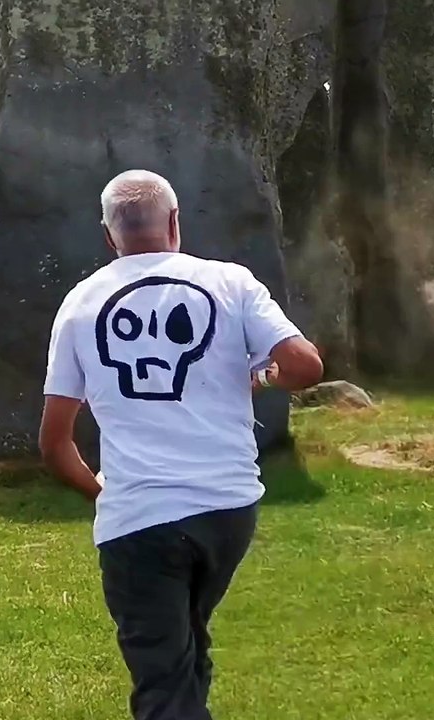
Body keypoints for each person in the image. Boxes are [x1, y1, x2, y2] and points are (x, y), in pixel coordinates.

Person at [38, 170, 324, 720]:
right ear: (175, 221)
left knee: (162, 679)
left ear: (108, 237)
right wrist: (257, 377)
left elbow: (55, 442)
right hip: (229, 509)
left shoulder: (78, 306)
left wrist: (105, 494)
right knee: (186, 642)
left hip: (139, 518)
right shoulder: (232, 283)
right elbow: (303, 364)